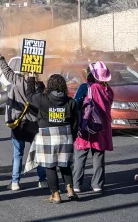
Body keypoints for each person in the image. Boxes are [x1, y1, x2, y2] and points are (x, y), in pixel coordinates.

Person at [0, 43, 47, 190]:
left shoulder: (17, 80)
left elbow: (5, 69)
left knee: (18, 154)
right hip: (35, 124)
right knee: (38, 153)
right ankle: (42, 180)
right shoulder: (40, 86)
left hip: (18, 123)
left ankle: (15, 182)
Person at [24, 74, 79, 203]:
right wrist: (73, 135)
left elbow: (29, 96)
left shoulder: (43, 99)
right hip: (65, 135)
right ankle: (70, 190)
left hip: (47, 135)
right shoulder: (71, 102)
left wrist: (31, 79)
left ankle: (55, 194)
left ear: (50, 85)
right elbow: (76, 121)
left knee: (50, 166)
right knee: (65, 164)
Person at [73, 62, 114, 193]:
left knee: (80, 155)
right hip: (102, 126)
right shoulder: (108, 90)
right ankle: (97, 184)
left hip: (86, 125)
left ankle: (76, 185)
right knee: (98, 155)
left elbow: (76, 104)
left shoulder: (86, 87)